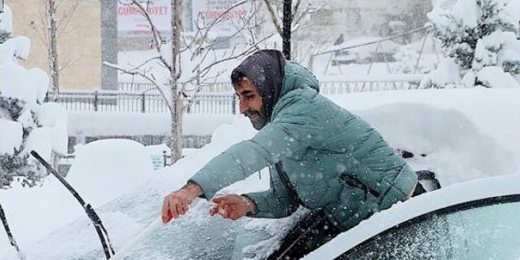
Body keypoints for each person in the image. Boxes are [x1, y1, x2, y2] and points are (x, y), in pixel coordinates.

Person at [160, 50, 418, 231]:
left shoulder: (303, 109)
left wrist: (191, 189)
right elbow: (286, 199)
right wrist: (248, 204)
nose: (242, 107)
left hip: (400, 212)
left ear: (269, 88)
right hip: (365, 220)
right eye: (239, 97)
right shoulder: (283, 124)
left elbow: (255, 152)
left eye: (248, 96)